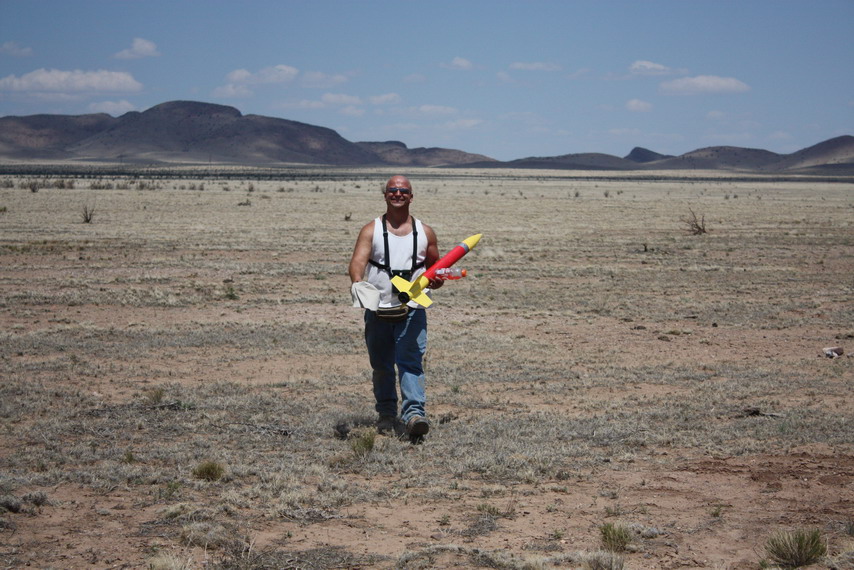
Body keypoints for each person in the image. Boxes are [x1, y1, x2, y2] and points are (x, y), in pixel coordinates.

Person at [348, 175, 443, 438]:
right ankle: (387, 415)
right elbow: (357, 263)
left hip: (413, 309)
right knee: (381, 365)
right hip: (378, 309)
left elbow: (435, 270)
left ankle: (414, 416)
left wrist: (437, 282)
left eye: (403, 190)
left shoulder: (425, 232)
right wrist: (358, 284)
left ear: (411, 196)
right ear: (385, 195)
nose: (398, 194)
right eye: (392, 190)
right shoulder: (371, 230)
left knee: (410, 362)